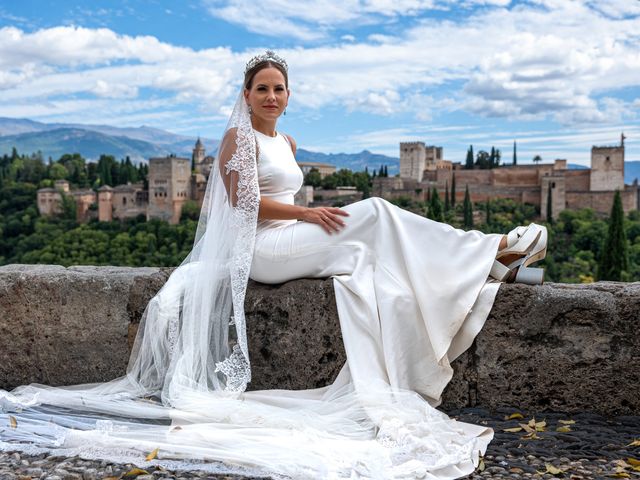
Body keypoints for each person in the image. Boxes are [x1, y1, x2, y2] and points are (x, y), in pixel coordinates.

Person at [0, 51, 547, 479]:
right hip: (261, 249)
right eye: (261, 87)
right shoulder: (237, 137)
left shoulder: (285, 139)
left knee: (370, 258)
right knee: (376, 211)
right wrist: (306, 212)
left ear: (288, 96)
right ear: (247, 94)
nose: (270, 95)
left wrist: (305, 218)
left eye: (278, 87)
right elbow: (240, 206)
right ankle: (490, 251)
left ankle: (477, 277)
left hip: (292, 235)